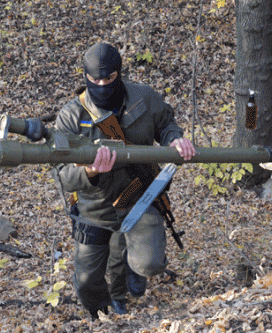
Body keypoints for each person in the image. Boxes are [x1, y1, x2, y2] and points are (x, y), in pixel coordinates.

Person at [54, 42, 195, 319]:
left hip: (139, 196)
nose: (102, 85)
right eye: (95, 80)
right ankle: (104, 307)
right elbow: (61, 173)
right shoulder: (68, 117)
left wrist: (174, 139)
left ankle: (130, 275)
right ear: (85, 77)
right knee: (85, 283)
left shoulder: (144, 97)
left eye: (109, 79)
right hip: (94, 208)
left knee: (149, 263)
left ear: (120, 73)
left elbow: (167, 123)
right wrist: (90, 171)